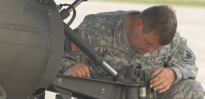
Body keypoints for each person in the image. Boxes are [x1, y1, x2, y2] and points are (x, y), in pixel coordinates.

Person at [62, 5, 204, 99]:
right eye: (148, 43)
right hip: (101, 95)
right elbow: (56, 56)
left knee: (193, 89)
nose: (151, 51)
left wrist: (173, 73)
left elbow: (190, 66)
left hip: (148, 95)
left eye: (158, 48)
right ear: (138, 25)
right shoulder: (96, 26)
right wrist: (72, 68)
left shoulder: (172, 39)